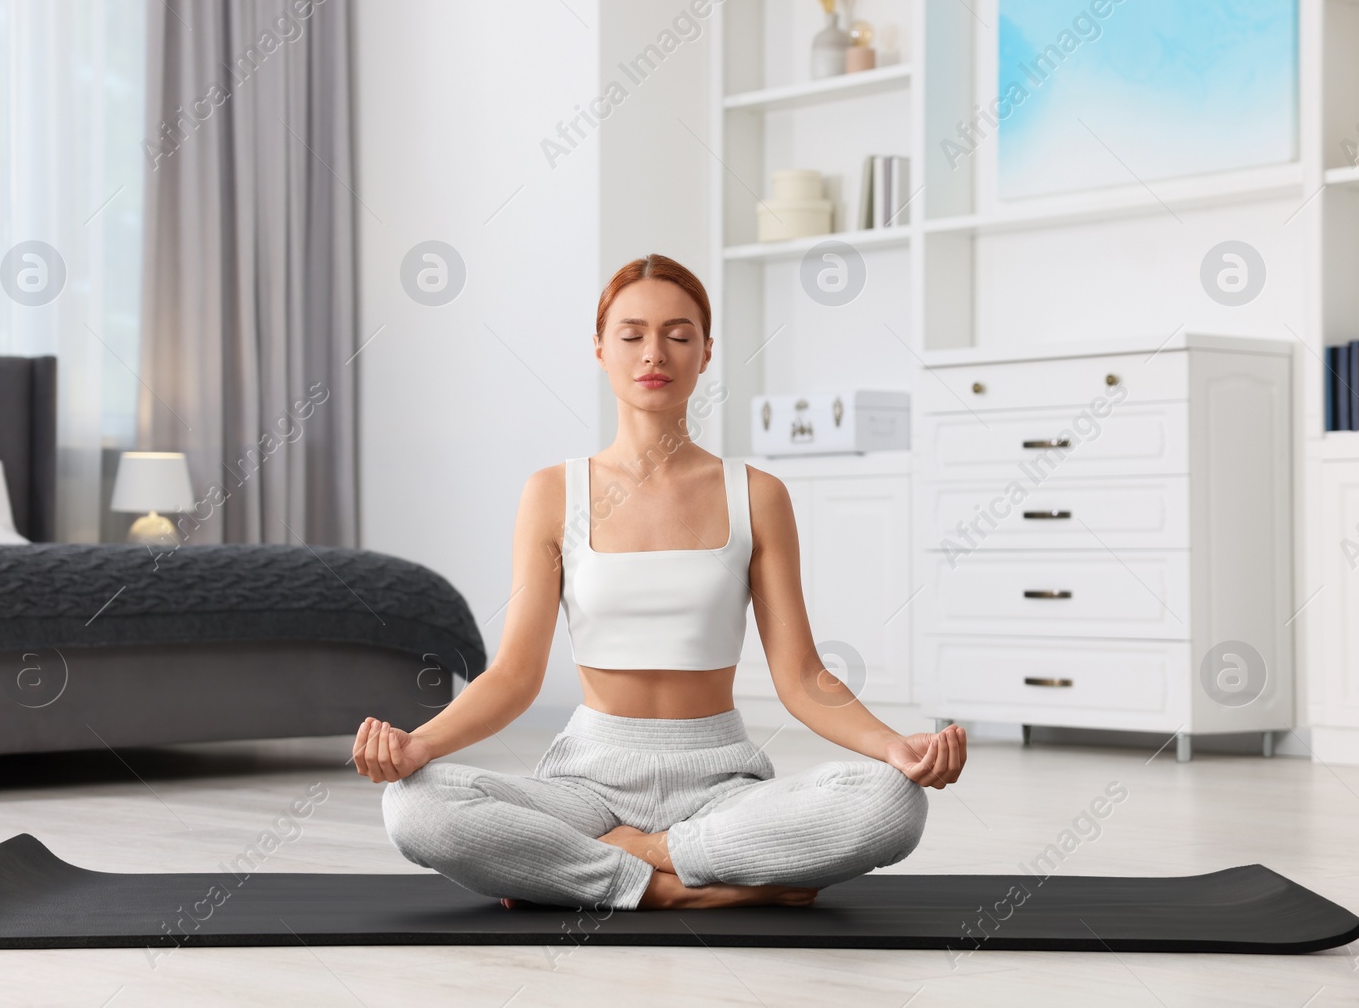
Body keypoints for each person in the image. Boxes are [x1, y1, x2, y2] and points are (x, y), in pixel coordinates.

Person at [353, 252, 966, 911]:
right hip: (585, 787)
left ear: (705, 354)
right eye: (632, 334)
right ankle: (690, 888)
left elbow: (803, 676)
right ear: (599, 348)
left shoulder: (757, 495)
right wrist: (418, 745)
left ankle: (607, 867)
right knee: (415, 806)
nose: (656, 353)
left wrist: (895, 745)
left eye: (679, 336)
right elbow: (513, 676)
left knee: (892, 805)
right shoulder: (553, 493)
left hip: (722, 785)